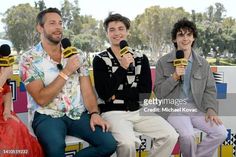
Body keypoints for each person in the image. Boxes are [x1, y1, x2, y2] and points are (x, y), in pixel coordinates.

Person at [19, 8, 116, 157]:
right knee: (55, 149)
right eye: (52, 23)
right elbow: (41, 99)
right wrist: (66, 71)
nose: (58, 27)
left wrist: (95, 113)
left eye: (60, 23)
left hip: (78, 113)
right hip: (47, 115)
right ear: (40, 27)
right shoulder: (28, 59)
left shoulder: (76, 54)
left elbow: (87, 90)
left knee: (108, 144)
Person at [93, 13, 178, 157]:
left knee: (171, 136)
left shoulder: (140, 57)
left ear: (127, 31)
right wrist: (122, 68)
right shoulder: (100, 59)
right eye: (112, 29)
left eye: (121, 28)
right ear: (107, 33)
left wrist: (117, 95)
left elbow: (144, 93)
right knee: (127, 143)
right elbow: (104, 94)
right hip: (113, 113)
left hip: (139, 110)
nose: (117, 33)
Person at [154, 18, 227, 157]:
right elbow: (158, 92)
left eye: (189, 34)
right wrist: (174, 76)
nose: (185, 38)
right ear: (175, 39)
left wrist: (211, 109)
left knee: (221, 132)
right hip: (172, 107)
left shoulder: (203, 64)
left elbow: (210, 89)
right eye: (181, 35)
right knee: (187, 136)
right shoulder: (163, 62)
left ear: (193, 38)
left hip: (196, 107)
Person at [0, 66, 44, 157]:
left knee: (16, 127)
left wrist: (7, 111)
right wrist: (4, 76)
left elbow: (6, 91)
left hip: (2, 113)